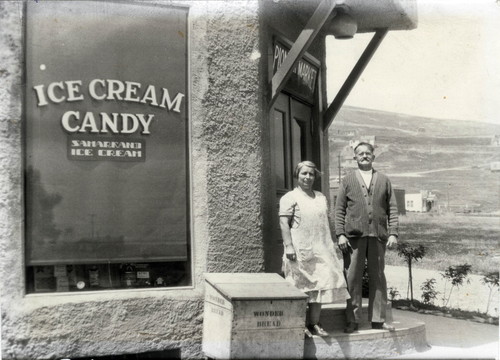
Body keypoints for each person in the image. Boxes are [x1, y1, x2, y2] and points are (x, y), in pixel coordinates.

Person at [279, 161, 350, 337]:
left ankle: (314, 323)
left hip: (321, 248)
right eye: (304, 173)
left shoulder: (320, 197)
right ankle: (299, 325)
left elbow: (325, 223)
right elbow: (283, 223)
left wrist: (331, 243)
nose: (307, 177)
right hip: (299, 250)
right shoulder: (290, 197)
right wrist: (288, 246)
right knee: (300, 288)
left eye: (311, 174)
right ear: (297, 175)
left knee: (320, 287)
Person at [334, 142, 399, 333]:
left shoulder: (384, 180)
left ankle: (378, 319)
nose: (364, 156)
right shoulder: (347, 180)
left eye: (367, 153)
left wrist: (393, 232)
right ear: (355, 157)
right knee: (352, 278)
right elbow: (339, 210)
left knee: (378, 277)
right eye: (360, 154)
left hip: (378, 236)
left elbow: (392, 209)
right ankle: (352, 320)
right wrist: (340, 235)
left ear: (373, 156)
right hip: (353, 237)